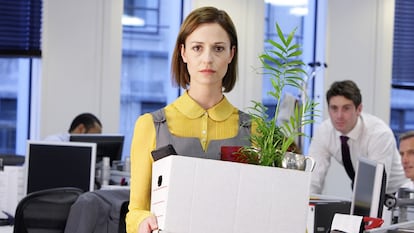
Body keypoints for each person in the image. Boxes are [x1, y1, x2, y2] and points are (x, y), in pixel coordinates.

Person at [125, 6, 253, 233]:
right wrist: (143, 222)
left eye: (218, 49)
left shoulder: (255, 130)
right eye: (197, 48)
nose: (207, 59)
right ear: (183, 53)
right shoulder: (150, 126)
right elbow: (136, 211)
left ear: (231, 55)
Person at [308, 80, 408, 195]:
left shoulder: (379, 134)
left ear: (359, 109)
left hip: (398, 195)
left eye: (346, 108)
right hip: (368, 191)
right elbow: (313, 178)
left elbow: (375, 186)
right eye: (334, 108)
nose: (339, 116)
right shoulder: (324, 132)